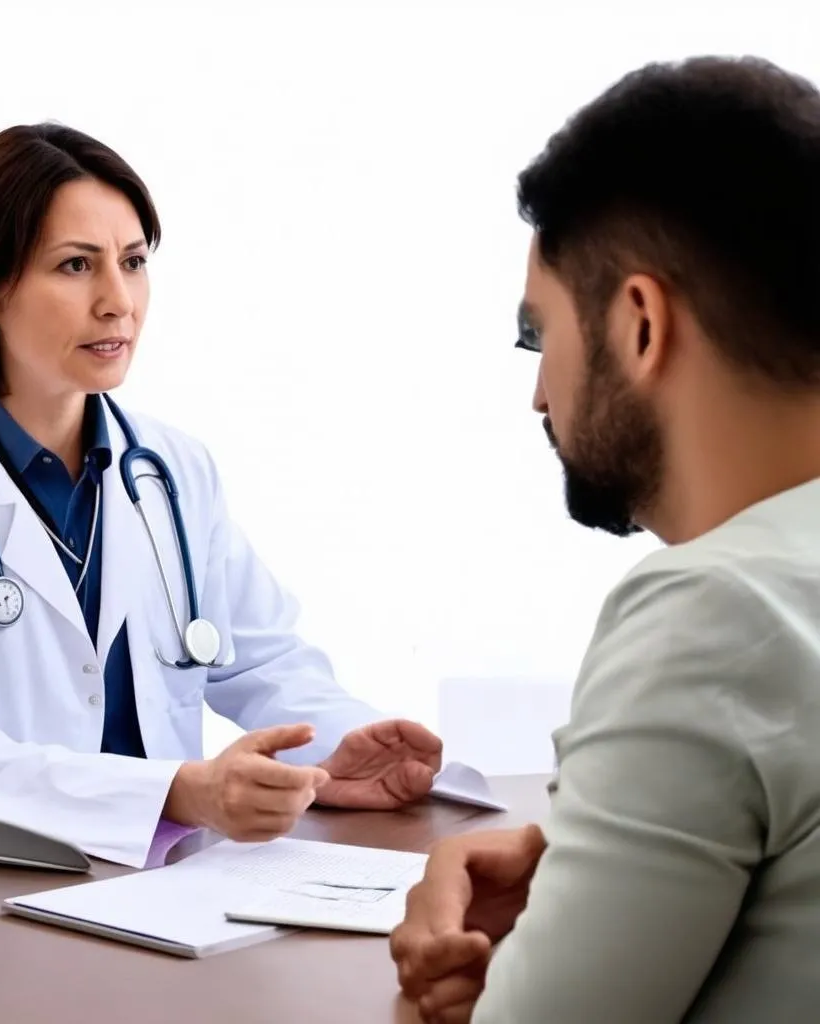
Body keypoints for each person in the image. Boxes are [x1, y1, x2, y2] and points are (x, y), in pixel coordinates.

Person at [0, 123, 442, 868]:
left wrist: (343, 746)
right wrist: (182, 793)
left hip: (139, 884)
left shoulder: (173, 473)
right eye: (77, 265)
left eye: (133, 262)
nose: (119, 302)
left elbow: (264, 662)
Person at [391, 55, 820, 1023]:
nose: (536, 394)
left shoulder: (712, 610)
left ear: (637, 323)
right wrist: (598, 872)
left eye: (537, 338)